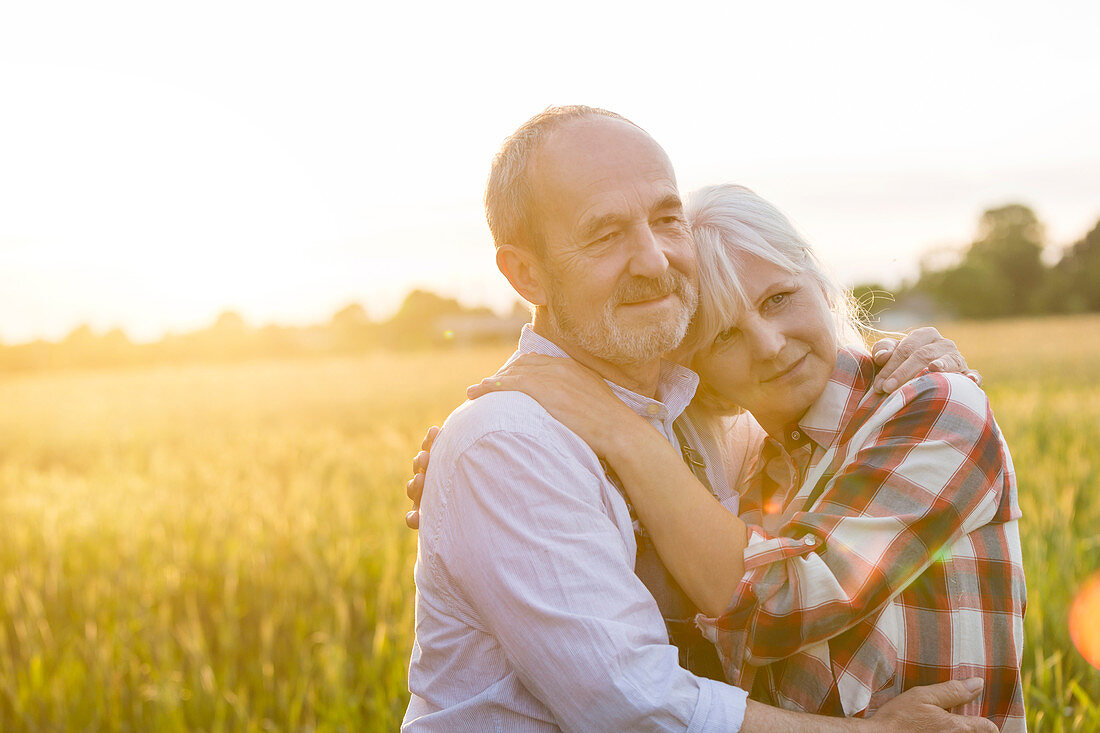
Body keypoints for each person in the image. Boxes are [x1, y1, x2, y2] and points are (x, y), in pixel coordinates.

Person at [402, 105, 996, 732]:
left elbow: (812, 420)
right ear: (526, 274)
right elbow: (634, 709)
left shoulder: (706, 426)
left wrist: (901, 357)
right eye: (605, 235)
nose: (654, 261)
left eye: (666, 219)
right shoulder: (507, 444)